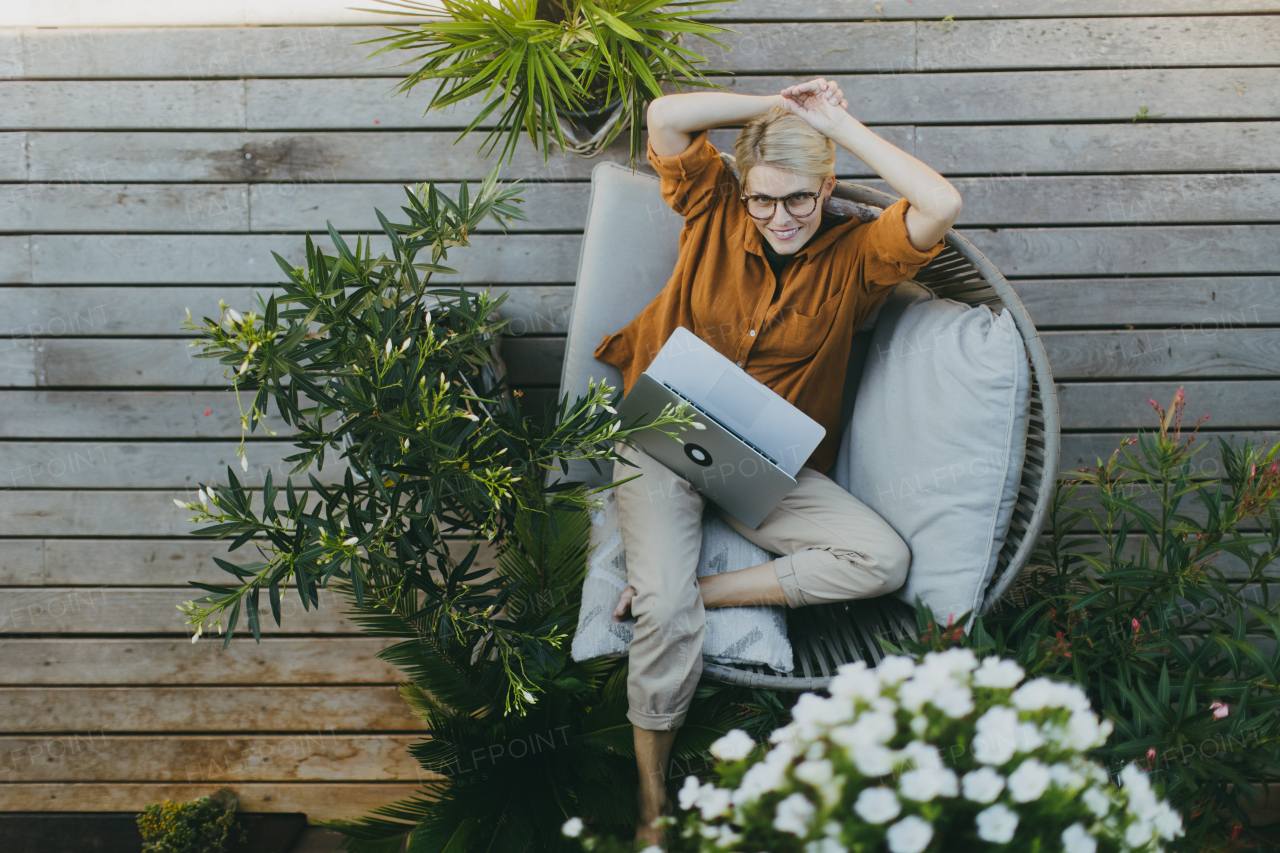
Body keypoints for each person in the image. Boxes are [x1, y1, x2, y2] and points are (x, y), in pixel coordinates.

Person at [592, 78, 963, 849]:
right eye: (763, 200)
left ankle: (701, 592)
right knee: (657, 607)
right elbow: (664, 116)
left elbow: (939, 204)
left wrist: (840, 124)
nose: (779, 217)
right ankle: (652, 803)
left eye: (798, 198)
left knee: (880, 556)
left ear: (827, 188)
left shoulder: (857, 254)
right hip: (666, 429)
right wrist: (779, 105)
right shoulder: (714, 206)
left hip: (761, 465)